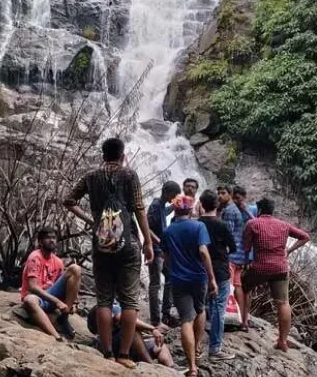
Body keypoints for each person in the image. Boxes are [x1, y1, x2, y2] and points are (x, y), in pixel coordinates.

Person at [63, 138, 154, 369]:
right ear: (123, 155)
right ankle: (124, 354)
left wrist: (94, 221)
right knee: (129, 301)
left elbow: (69, 201)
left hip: (101, 243)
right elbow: (139, 209)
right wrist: (148, 241)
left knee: (103, 299)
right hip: (128, 244)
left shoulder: (91, 176)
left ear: (102, 154)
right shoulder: (129, 175)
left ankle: (107, 353)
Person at [242, 198, 310, 352]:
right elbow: (305, 236)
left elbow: (246, 249)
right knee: (283, 303)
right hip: (280, 268)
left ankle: (244, 321)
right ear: (272, 210)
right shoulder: (284, 225)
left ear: (259, 211)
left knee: (244, 288)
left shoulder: (252, 224)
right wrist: (289, 251)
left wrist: (246, 263)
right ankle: (283, 341)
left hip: (259, 268)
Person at [161, 195, 217, 377]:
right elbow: (203, 251)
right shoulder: (199, 226)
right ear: (191, 209)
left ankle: (192, 366)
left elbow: (166, 258)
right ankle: (198, 347)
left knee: (186, 319)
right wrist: (212, 278)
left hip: (178, 279)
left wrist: (173, 270)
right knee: (200, 310)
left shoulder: (168, 231)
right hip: (199, 278)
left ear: (175, 210)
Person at [20, 228, 82, 341]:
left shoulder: (58, 261)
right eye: (48, 238)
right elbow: (32, 287)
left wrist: (75, 300)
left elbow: (64, 284)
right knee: (29, 300)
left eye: (54, 238)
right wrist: (57, 302)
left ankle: (64, 318)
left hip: (51, 297)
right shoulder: (34, 258)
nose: (52, 240)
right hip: (38, 298)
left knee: (75, 269)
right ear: (40, 242)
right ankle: (56, 337)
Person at [198, 190, 236, 362]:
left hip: (200, 270)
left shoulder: (197, 223)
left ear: (201, 205)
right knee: (219, 307)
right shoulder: (221, 224)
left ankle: (197, 347)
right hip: (220, 270)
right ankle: (215, 348)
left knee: (202, 307)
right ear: (217, 205)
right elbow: (233, 247)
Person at [87, 303, 175, 367]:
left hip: (127, 347)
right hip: (114, 347)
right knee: (131, 330)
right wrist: (153, 329)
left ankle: (171, 368)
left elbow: (92, 330)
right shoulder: (108, 306)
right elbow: (125, 320)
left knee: (160, 345)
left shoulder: (107, 305)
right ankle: (151, 365)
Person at [222, 185, 257, 330]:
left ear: (245, 197)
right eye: (234, 198)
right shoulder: (232, 210)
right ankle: (242, 321)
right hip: (241, 255)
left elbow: (258, 225)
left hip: (236, 255)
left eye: (239, 198)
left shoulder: (248, 210)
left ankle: (232, 318)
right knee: (237, 286)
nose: (236, 201)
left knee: (229, 286)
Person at [147, 181, 181, 328]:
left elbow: (164, 213)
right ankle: (156, 321)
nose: (174, 198)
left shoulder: (160, 206)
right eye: (173, 195)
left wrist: (174, 206)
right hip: (156, 250)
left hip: (161, 250)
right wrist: (158, 241)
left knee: (171, 278)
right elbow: (147, 227)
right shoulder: (155, 206)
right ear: (166, 192)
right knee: (155, 285)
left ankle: (165, 313)